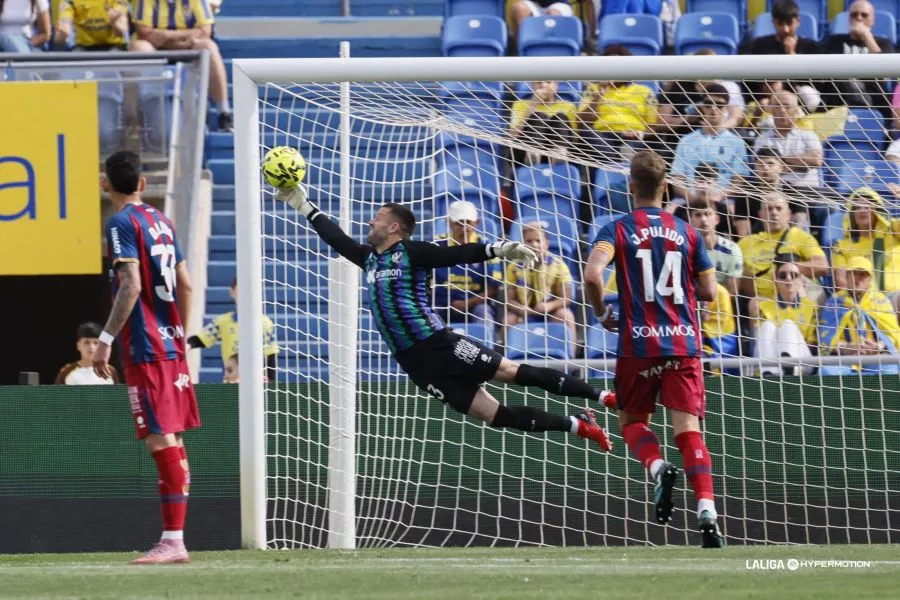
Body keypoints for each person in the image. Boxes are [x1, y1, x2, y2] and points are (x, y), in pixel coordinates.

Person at [273, 187, 614, 453]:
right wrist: (305, 207)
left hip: (439, 343)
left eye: (376, 218)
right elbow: (337, 239)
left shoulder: (412, 251)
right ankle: (578, 425)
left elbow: (455, 253)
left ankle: (603, 397)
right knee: (494, 416)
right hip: (415, 364)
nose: (369, 222)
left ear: (393, 226)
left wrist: (498, 248)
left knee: (510, 372)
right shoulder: (370, 259)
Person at [584, 149, 725, 548]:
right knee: (690, 432)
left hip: (637, 344)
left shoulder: (617, 229)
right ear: (665, 187)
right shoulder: (689, 232)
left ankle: (658, 466)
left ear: (631, 187)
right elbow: (710, 292)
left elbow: (593, 274)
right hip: (682, 342)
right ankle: (707, 512)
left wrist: (599, 312)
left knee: (631, 422)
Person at [92, 150, 198, 564]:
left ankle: (173, 540)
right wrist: (179, 334)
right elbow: (186, 285)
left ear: (106, 185)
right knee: (172, 434)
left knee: (159, 435)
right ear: (142, 183)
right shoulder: (163, 221)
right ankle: (174, 537)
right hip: (170, 343)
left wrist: (105, 338)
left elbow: (130, 284)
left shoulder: (120, 222)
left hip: (145, 345)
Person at [738, 193, 828, 302]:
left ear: (788, 214)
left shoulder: (799, 236)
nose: (774, 213)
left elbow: (822, 266)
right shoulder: (746, 243)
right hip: (761, 302)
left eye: (778, 208)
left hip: (797, 296)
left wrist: (786, 270)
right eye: (769, 209)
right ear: (761, 216)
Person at [432, 200, 502, 339]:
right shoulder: (436, 246)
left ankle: (486, 351)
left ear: (477, 223)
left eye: (468, 222)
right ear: (449, 222)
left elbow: (493, 289)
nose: (463, 228)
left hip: (475, 304)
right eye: (458, 223)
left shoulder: (489, 248)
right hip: (442, 304)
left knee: (484, 314)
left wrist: (467, 303)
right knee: (428, 315)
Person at [818, 256, 900, 374]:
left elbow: (893, 335)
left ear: (870, 279)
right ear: (846, 277)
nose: (858, 279)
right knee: (827, 372)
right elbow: (826, 337)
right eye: (854, 273)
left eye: (863, 274)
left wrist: (879, 346)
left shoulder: (880, 301)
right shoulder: (835, 301)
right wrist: (845, 348)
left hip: (877, 358)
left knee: (889, 372)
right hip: (844, 360)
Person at [187, 277, 279, 382]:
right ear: (232, 292)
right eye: (241, 290)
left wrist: (270, 380)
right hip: (230, 382)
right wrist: (187, 345)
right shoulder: (222, 321)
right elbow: (201, 338)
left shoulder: (265, 322)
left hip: (256, 384)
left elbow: (271, 353)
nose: (245, 294)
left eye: (249, 290)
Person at [504, 222, 578, 352]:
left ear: (547, 244)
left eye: (538, 241)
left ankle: (571, 356)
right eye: (529, 241)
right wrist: (520, 308)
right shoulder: (513, 267)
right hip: (524, 312)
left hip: (550, 312)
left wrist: (549, 306)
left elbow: (566, 298)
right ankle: (508, 358)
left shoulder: (559, 265)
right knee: (508, 320)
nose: (534, 245)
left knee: (565, 315)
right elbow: (509, 300)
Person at [747, 254, 818, 376]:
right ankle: (769, 373)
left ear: (800, 279)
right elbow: (759, 342)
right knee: (767, 326)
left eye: (794, 275)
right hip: (769, 358)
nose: (789, 279)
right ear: (776, 279)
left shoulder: (811, 306)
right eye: (783, 275)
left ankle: (790, 370)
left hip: (803, 361)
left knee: (788, 325)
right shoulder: (764, 307)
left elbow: (812, 345)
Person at [55, 322, 121, 385]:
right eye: (86, 342)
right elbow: (57, 396)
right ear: (78, 345)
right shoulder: (66, 371)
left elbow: (118, 396)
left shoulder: (110, 371)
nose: (91, 347)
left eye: (96, 343)